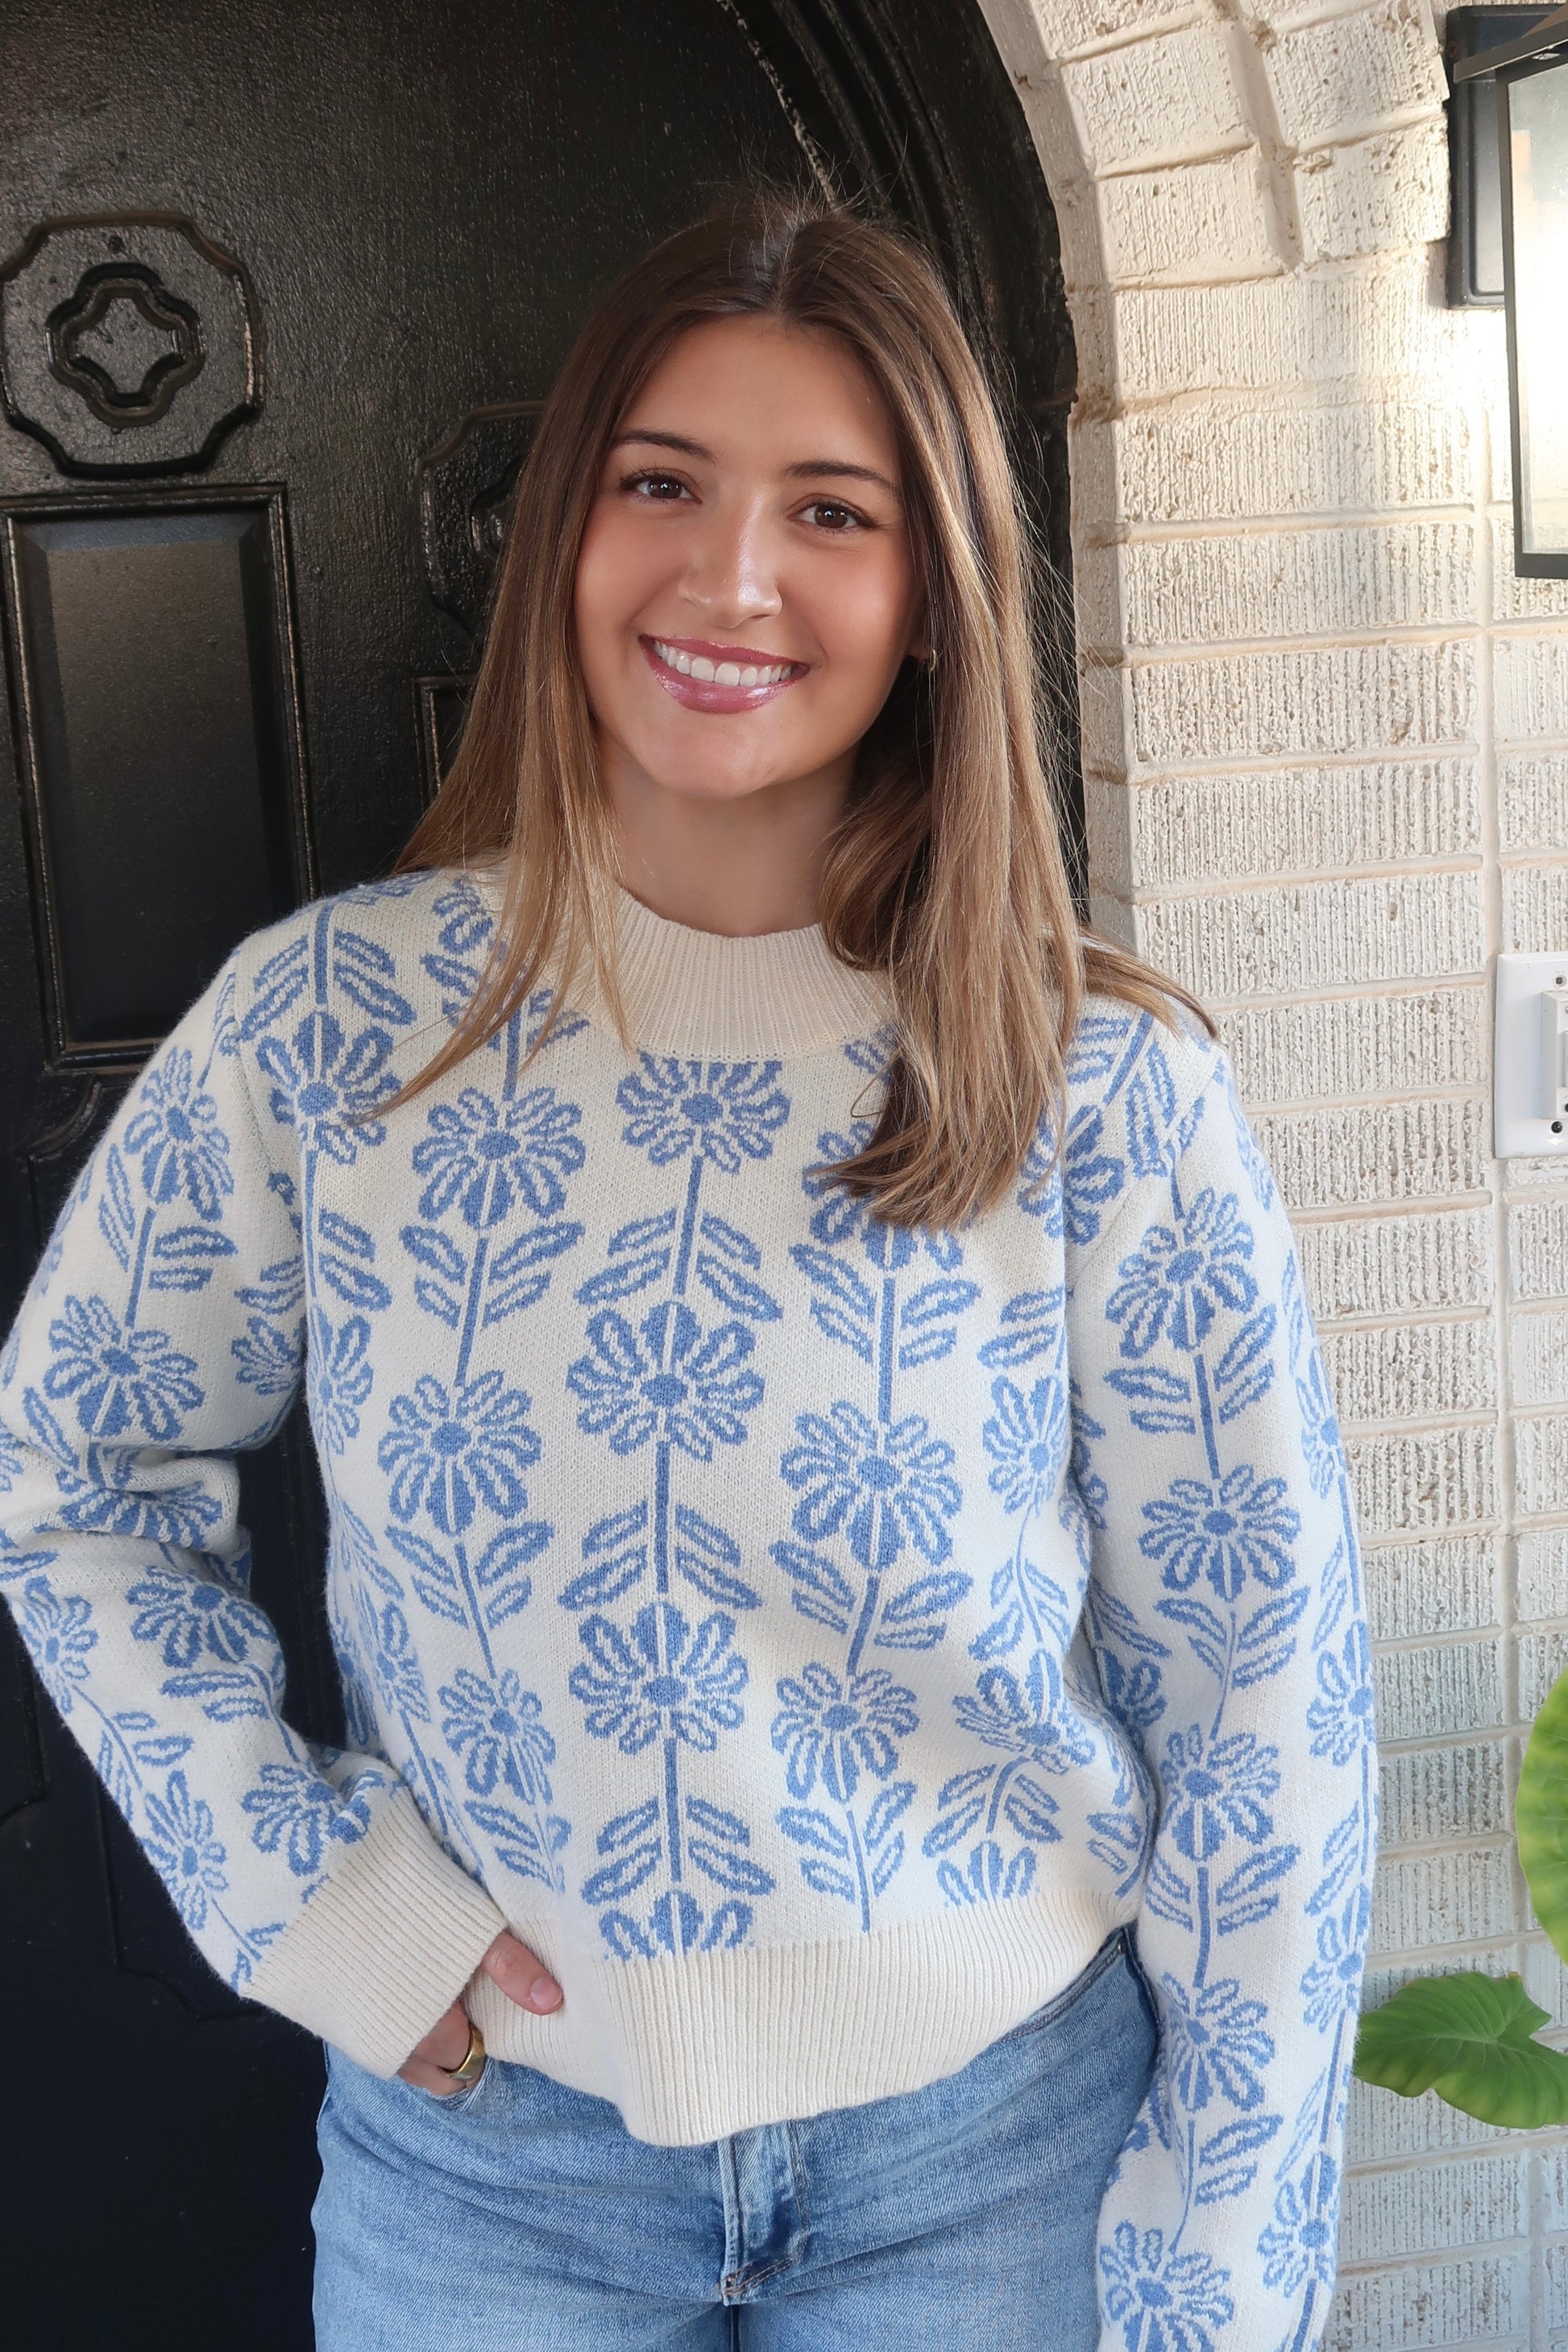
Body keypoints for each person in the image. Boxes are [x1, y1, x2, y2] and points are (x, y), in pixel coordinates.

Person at [0, 191, 1374, 2351]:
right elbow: (70, 1476)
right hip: (488, 2172)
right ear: (565, 529)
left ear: (932, 594)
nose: (733, 577)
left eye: (832, 510)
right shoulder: (331, 1033)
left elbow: (1261, 1693)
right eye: (662, 484)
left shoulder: (1096, 1085)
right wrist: (310, 1899)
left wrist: (1227, 2244)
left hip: (997, 2167)